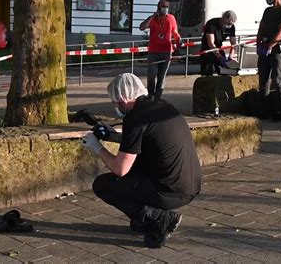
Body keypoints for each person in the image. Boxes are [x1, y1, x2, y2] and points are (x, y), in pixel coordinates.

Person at [81, 73, 202, 248]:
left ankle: (159, 218)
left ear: (122, 98)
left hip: (170, 192)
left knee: (103, 185)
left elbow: (120, 169)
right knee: (135, 169)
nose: (114, 105)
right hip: (191, 185)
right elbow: (146, 140)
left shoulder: (135, 117)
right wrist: (113, 136)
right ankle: (145, 219)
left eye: (114, 101)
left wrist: (97, 147)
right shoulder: (161, 106)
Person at [256, 0, 281, 121]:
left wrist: (270, 45)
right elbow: (262, 26)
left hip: (276, 51)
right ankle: (263, 111)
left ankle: (279, 112)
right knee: (263, 80)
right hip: (264, 49)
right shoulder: (267, 11)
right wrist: (258, 42)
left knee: (277, 79)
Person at [139, 0, 181, 99]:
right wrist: (152, 17)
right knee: (151, 75)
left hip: (166, 51)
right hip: (153, 52)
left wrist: (179, 42)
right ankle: (150, 94)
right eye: (163, 7)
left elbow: (175, 32)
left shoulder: (171, 18)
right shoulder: (153, 19)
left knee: (161, 76)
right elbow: (142, 27)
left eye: (167, 7)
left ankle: (158, 96)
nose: (165, 9)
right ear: (158, 7)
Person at [200, 10, 238, 76]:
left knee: (225, 71)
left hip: (219, 47)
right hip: (207, 49)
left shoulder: (231, 27)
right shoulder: (211, 24)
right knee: (207, 72)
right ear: (223, 18)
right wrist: (220, 58)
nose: (230, 26)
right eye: (229, 24)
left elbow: (234, 44)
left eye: (231, 24)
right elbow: (211, 44)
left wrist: (230, 57)